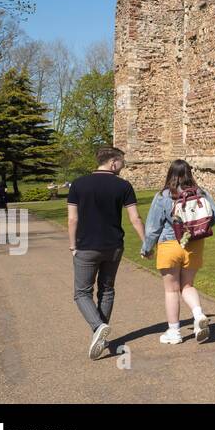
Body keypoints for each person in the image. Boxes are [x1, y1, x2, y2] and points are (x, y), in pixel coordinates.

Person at [67, 147, 146, 360]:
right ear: (113, 162)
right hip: (113, 246)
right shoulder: (123, 186)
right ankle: (100, 332)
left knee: (82, 292)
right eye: (122, 162)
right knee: (107, 289)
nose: (123, 166)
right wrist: (146, 242)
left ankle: (98, 327)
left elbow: (73, 219)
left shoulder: (78, 184)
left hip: (86, 246)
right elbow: (135, 218)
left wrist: (72, 246)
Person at [141, 160, 215, 345]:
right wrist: (197, 228)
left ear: (170, 174)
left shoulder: (163, 196)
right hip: (193, 245)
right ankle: (198, 314)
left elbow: (153, 228)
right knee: (188, 285)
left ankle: (174, 331)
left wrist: (146, 249)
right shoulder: (201, 192)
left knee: (171, 290)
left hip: (170, 244)